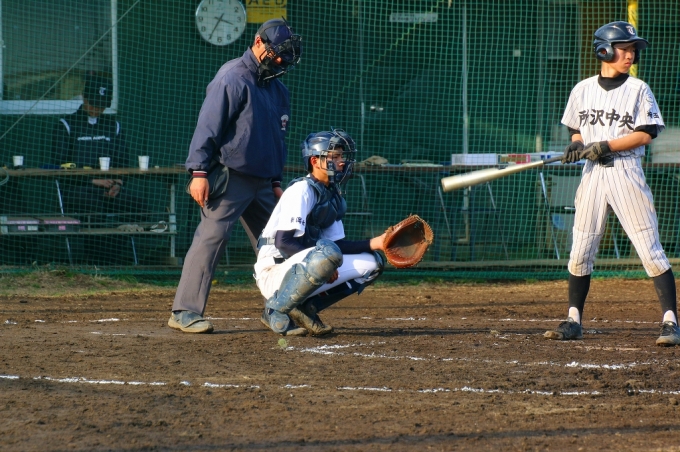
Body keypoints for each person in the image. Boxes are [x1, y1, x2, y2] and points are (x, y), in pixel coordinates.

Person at [545, 21, 680, 346]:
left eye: (633, 49)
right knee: (581, 249)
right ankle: (574, 320)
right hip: (592, 175)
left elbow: (646, 133)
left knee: (649, 248)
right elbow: (576, 129)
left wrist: (606, 145)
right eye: (624, 48)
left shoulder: (638, 89)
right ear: (604, 50)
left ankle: (671, 323)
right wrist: (577, 144)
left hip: (625, 172)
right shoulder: (582, 89)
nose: (630, 54)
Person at [168, 18, 302, 334]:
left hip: (264, 182)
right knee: (212, 238)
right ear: (258, 42)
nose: (280, 61)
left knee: (279, 244)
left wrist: (276, 180)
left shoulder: (278, 89)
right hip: (231, 177)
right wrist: (199, 172)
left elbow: (277, 139)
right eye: (276, 53)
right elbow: (208, 126)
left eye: (284, 56)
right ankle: (184, 311)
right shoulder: (233, 77)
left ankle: (277, 311)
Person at [255, 129, 386, 336]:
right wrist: (322, 261)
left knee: (373, 262)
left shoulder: (331, 195)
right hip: (274, 270)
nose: (342, 162)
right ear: (315, 161)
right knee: (328, 255)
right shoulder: (301, 190)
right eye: (335, 156)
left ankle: (306, 308)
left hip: (303, 266)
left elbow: (338, 245)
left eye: (342, 156)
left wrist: (377, 243)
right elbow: (283, 241)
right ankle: (275, 309)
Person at [52, 72, 139, 216]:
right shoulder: (66, 125)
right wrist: (93, 180)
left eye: (102, 105)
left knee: (135, 202)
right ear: (84, 97)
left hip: (110, 186)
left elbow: (123, 161)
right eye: (93, 104)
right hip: (78, 187)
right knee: (93, 204)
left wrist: (118, 183)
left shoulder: (113, 126)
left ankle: (127, 231)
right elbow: (60, 164)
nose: (97, 109)